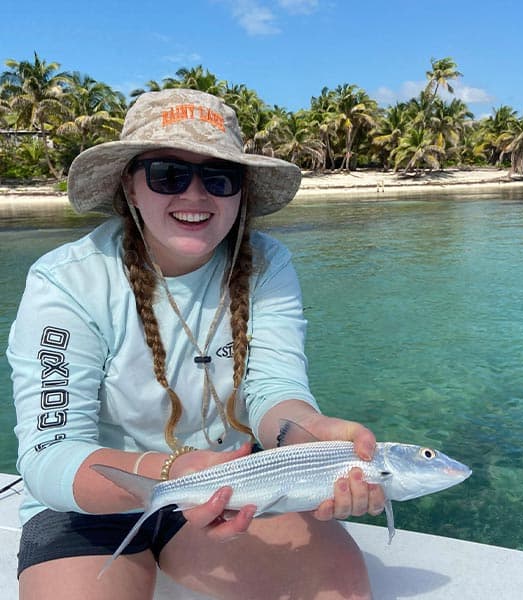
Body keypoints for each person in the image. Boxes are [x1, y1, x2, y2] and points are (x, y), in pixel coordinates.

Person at [8, 88, 384, 599]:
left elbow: (274, 391)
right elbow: (50, 454)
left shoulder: (268, 267)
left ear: (241, 193)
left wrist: (312, 434)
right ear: (130, 187)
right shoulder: (66, 282)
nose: (195, 195)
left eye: (219, 177)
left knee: (339, 589)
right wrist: (169, 472)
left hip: (232, 486)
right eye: (168, 174)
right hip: (91, 500)